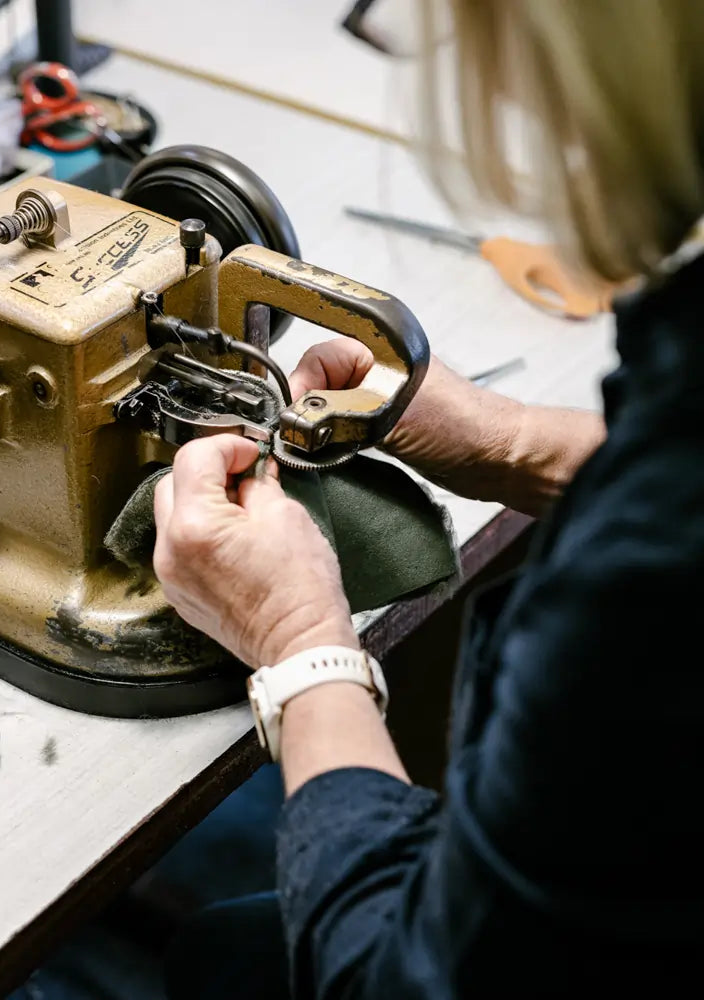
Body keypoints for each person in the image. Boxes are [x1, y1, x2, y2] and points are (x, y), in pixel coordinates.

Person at [154, 2, 704, 998]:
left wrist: (298, 642)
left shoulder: (646, 592)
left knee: (216, 958)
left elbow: (398, 980)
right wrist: (509, 441)